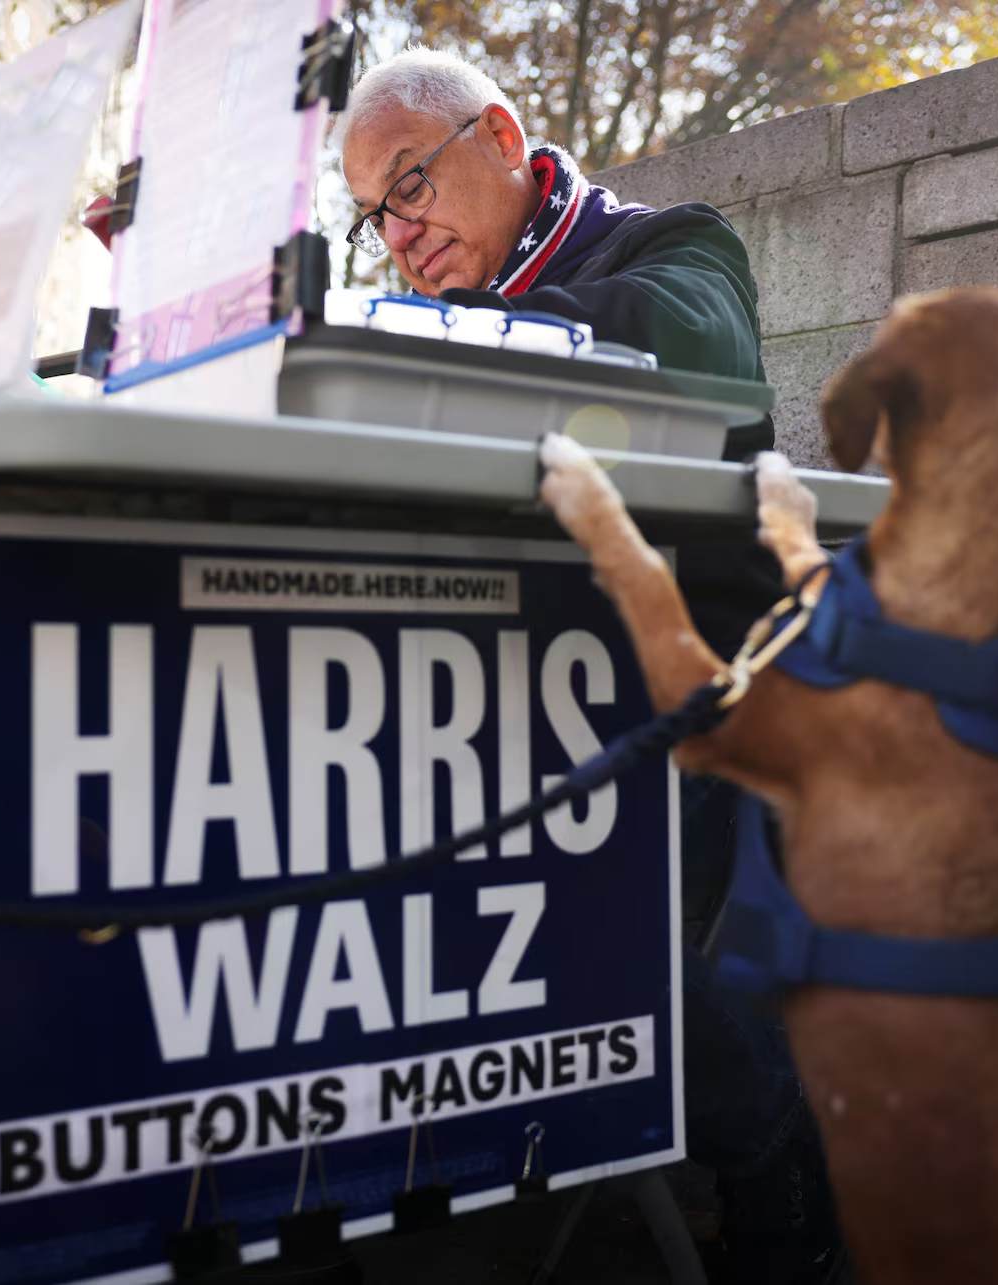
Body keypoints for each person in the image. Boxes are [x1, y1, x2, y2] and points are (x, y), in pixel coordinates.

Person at [337, 49, 841, 1285]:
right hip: (503, 683)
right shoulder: (440, 320)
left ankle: (777, 1169)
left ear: (502, 138)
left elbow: (695, 348)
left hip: (696, 682)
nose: (397, 235)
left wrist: (434, 343)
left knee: (597, 890)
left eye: (410, 186)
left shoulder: (672, 246)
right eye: (372, 216)